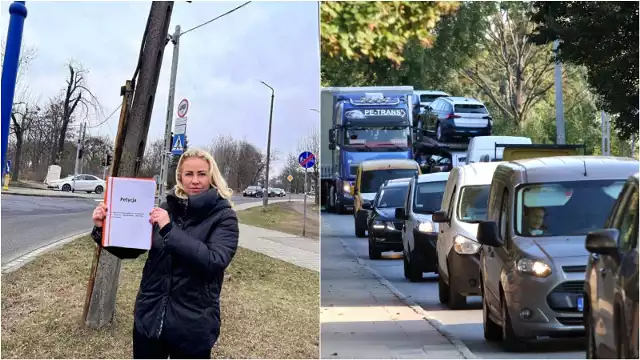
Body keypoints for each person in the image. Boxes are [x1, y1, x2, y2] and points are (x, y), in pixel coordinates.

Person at [91, 148, 239, 359]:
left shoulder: (224, 216)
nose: (195, 180)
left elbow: (214, 261)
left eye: (202, 174)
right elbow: (133, 249)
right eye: (189, 174)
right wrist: (103, 228)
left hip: (193, 327)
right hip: (150, 320)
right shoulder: (166, 208)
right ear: (180, 177)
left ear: (212, 176)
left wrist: (170, 231)